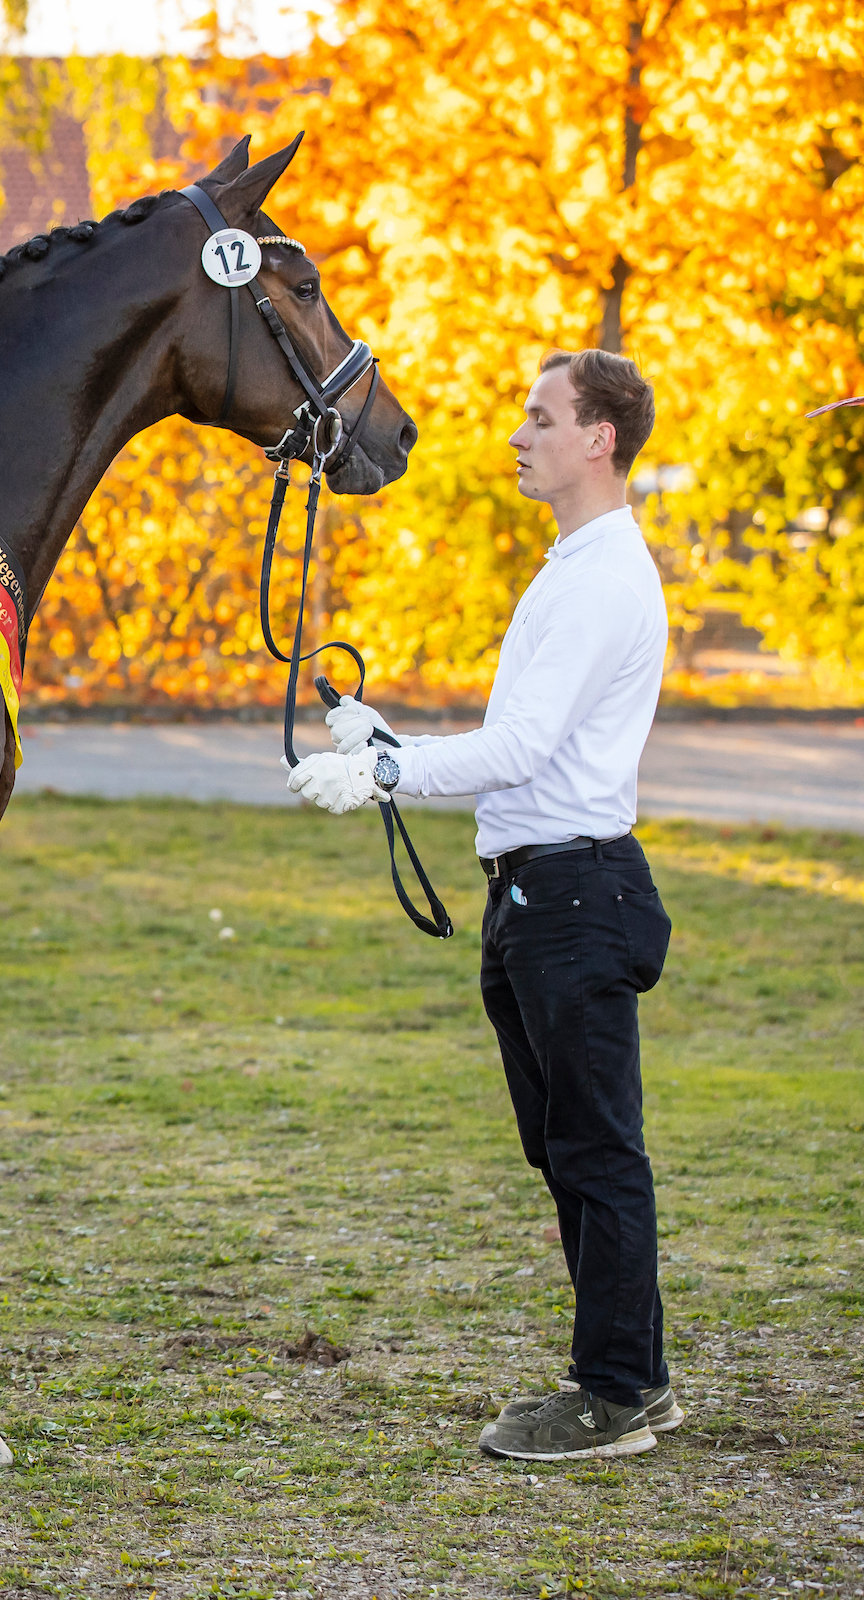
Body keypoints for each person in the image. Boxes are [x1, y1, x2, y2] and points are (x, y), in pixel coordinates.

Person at [286, 349, 680, 1463]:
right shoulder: (571, 565)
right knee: (569, 1153)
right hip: (534, 896)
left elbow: (527, 748)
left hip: (573, 896)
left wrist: (389, 775)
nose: (520, 434)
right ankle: (634, 1376)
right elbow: (523, 753)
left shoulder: (605, 574)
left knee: (596, 1152)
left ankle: (611, 1395)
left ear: (599, 437)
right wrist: (391, 740)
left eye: (542, 417)